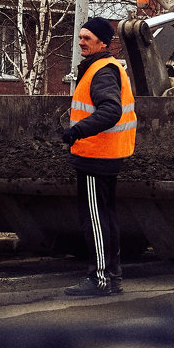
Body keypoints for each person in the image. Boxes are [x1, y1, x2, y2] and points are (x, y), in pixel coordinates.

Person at [60, 16, 136, 297]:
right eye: (80, 37)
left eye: (87, 38)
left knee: (95, 220)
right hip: (105, 154)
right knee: (105, 217)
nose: (81, 42)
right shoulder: (104, 67)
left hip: (96, 156)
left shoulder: (102, 71)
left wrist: (76, 131)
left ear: (103, 42)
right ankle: (111, 278)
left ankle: (100, 279)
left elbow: (110, 111)